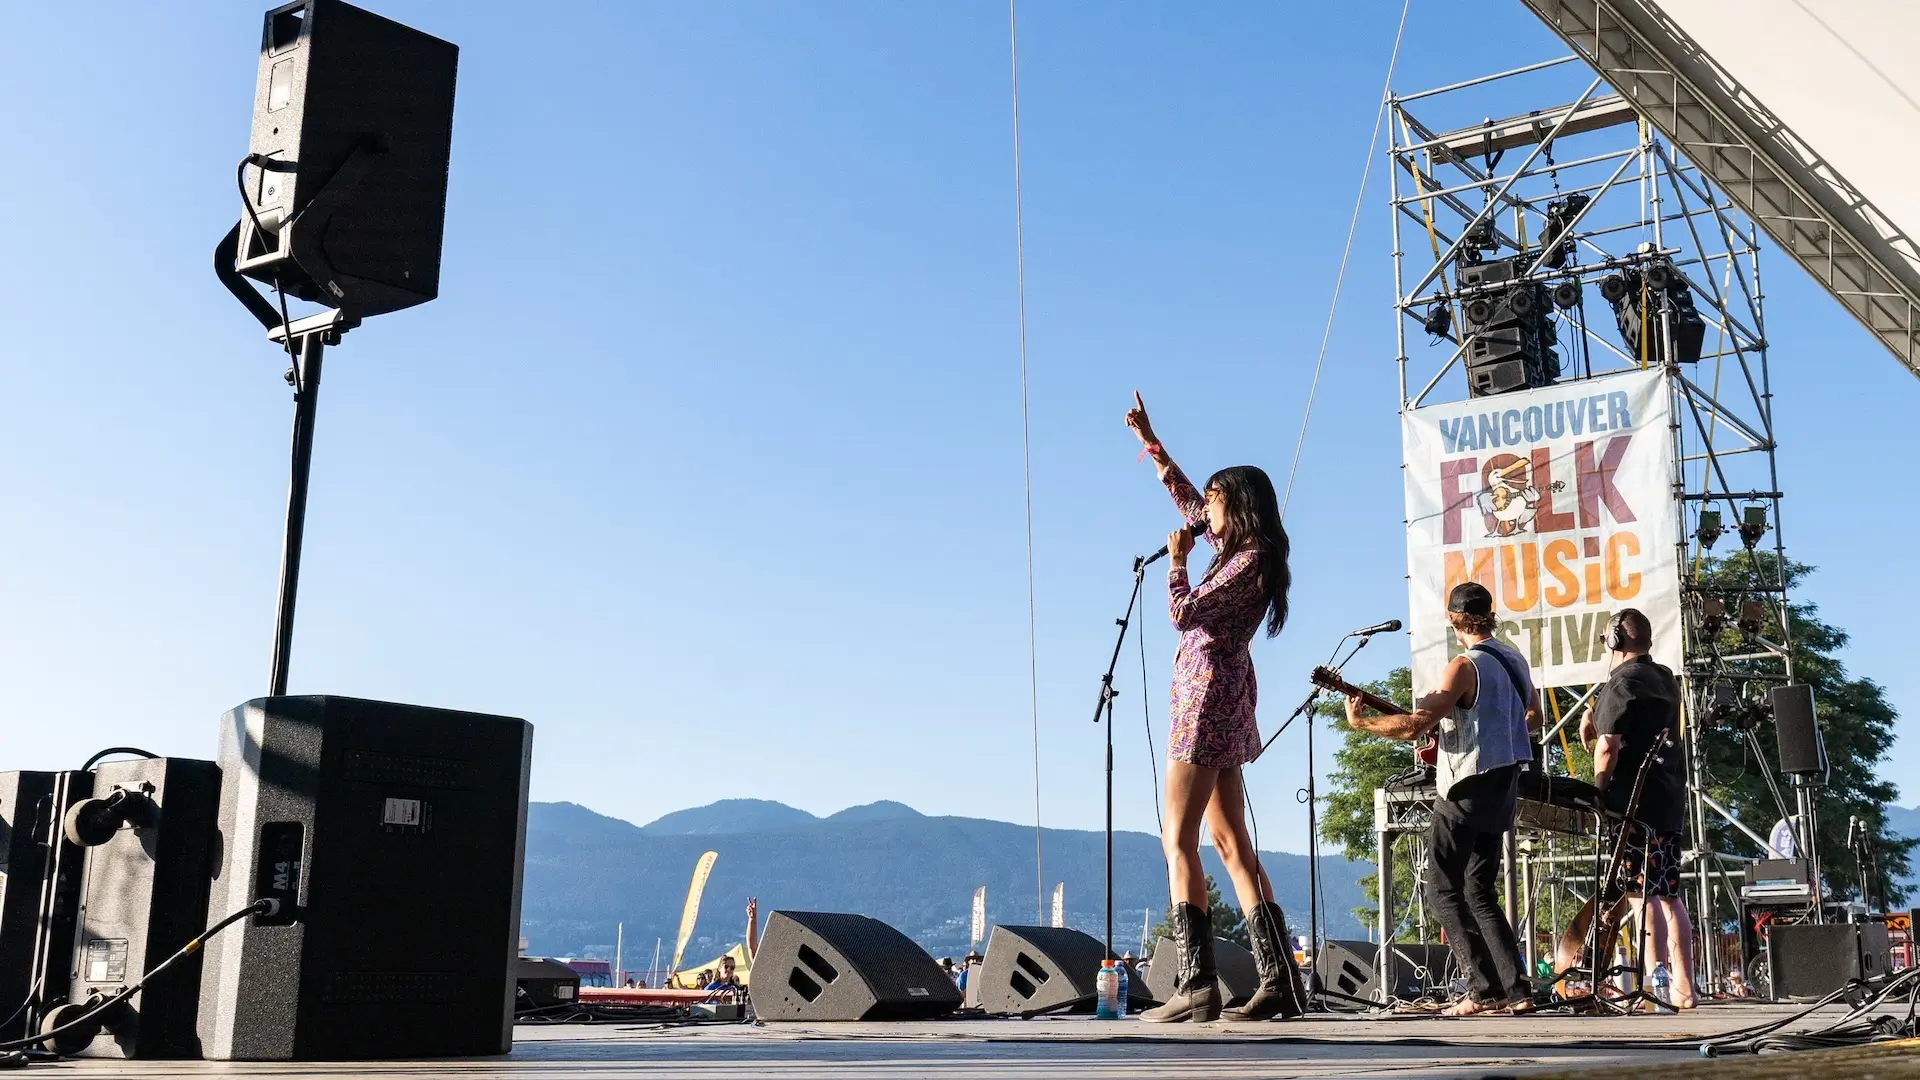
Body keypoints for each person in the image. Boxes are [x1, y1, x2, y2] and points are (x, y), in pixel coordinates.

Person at [1125, 392, 1307, 1023]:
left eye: (1216, 502)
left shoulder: (1248, 561)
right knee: (1228, 839)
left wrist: (1176, 562)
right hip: (1223, 699)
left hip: (1207, 701)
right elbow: (1187, 501)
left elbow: (1183, 614)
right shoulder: (1242, 552)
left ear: (1240, 506)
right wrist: (1151, 443)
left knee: (1178, 839)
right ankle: (1278, 979)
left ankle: (1197, 983)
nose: (1205, 513)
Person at [1344, 581, 1540, 1016]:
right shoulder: (1515, 659)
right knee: (1479, 890)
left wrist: (1362, 724)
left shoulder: (1463, 666)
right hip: (1504, 783)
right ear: (1490, 614)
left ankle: (1482, 989)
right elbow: (1534, 717)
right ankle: (1516, 989)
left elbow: (1413, 727)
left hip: (1467, 784)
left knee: (1441, 889)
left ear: (1453, 620)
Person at [1579, 607, 1696, 1009]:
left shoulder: (1621, 681)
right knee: (1670, 895)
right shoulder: (1665, 678)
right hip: (1667, 798)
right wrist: (1596, 717)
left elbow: (1608, 747)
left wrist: (1598, 789)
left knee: (1639, 894)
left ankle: (1652, 988)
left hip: (1632, 805)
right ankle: (1684, 987)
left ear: (1614, 641)